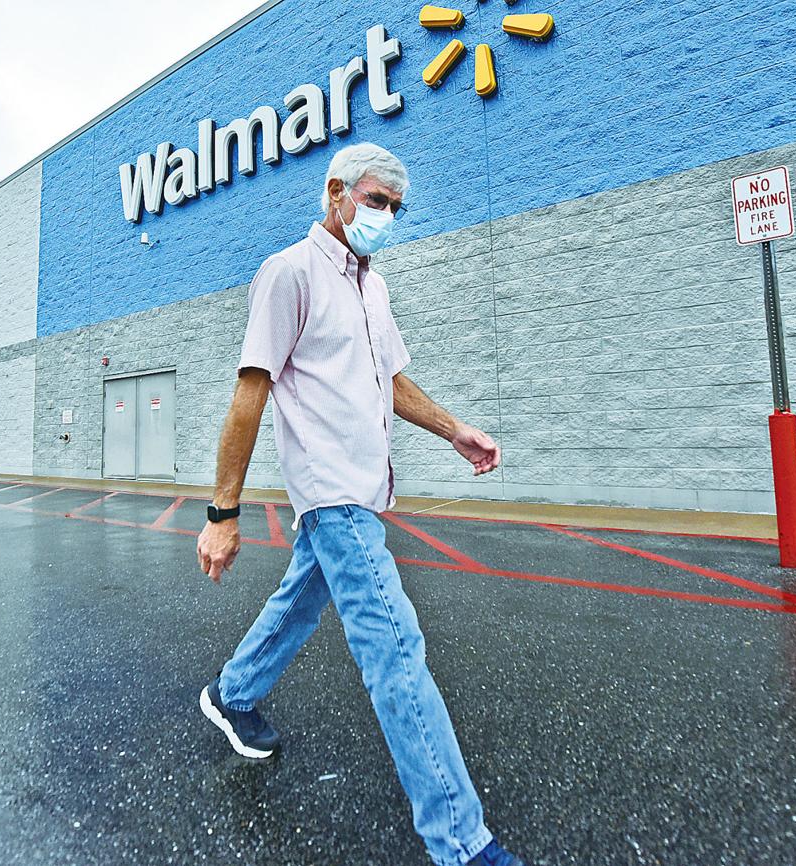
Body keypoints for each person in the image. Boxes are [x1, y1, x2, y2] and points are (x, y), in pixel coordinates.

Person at [195, 143, 526, 866]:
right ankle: (462, 843)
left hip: (363, 489)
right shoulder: (288, 274)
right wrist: (224, 513)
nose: (385, 217)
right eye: (375, 201)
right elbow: (251, 392)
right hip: (330, 490)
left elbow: (392, 381)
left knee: (300, 601)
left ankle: (232, 692)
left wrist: (454, 429)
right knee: (397, 651)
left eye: (394, 208)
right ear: (336, 192)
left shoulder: (372, 287)